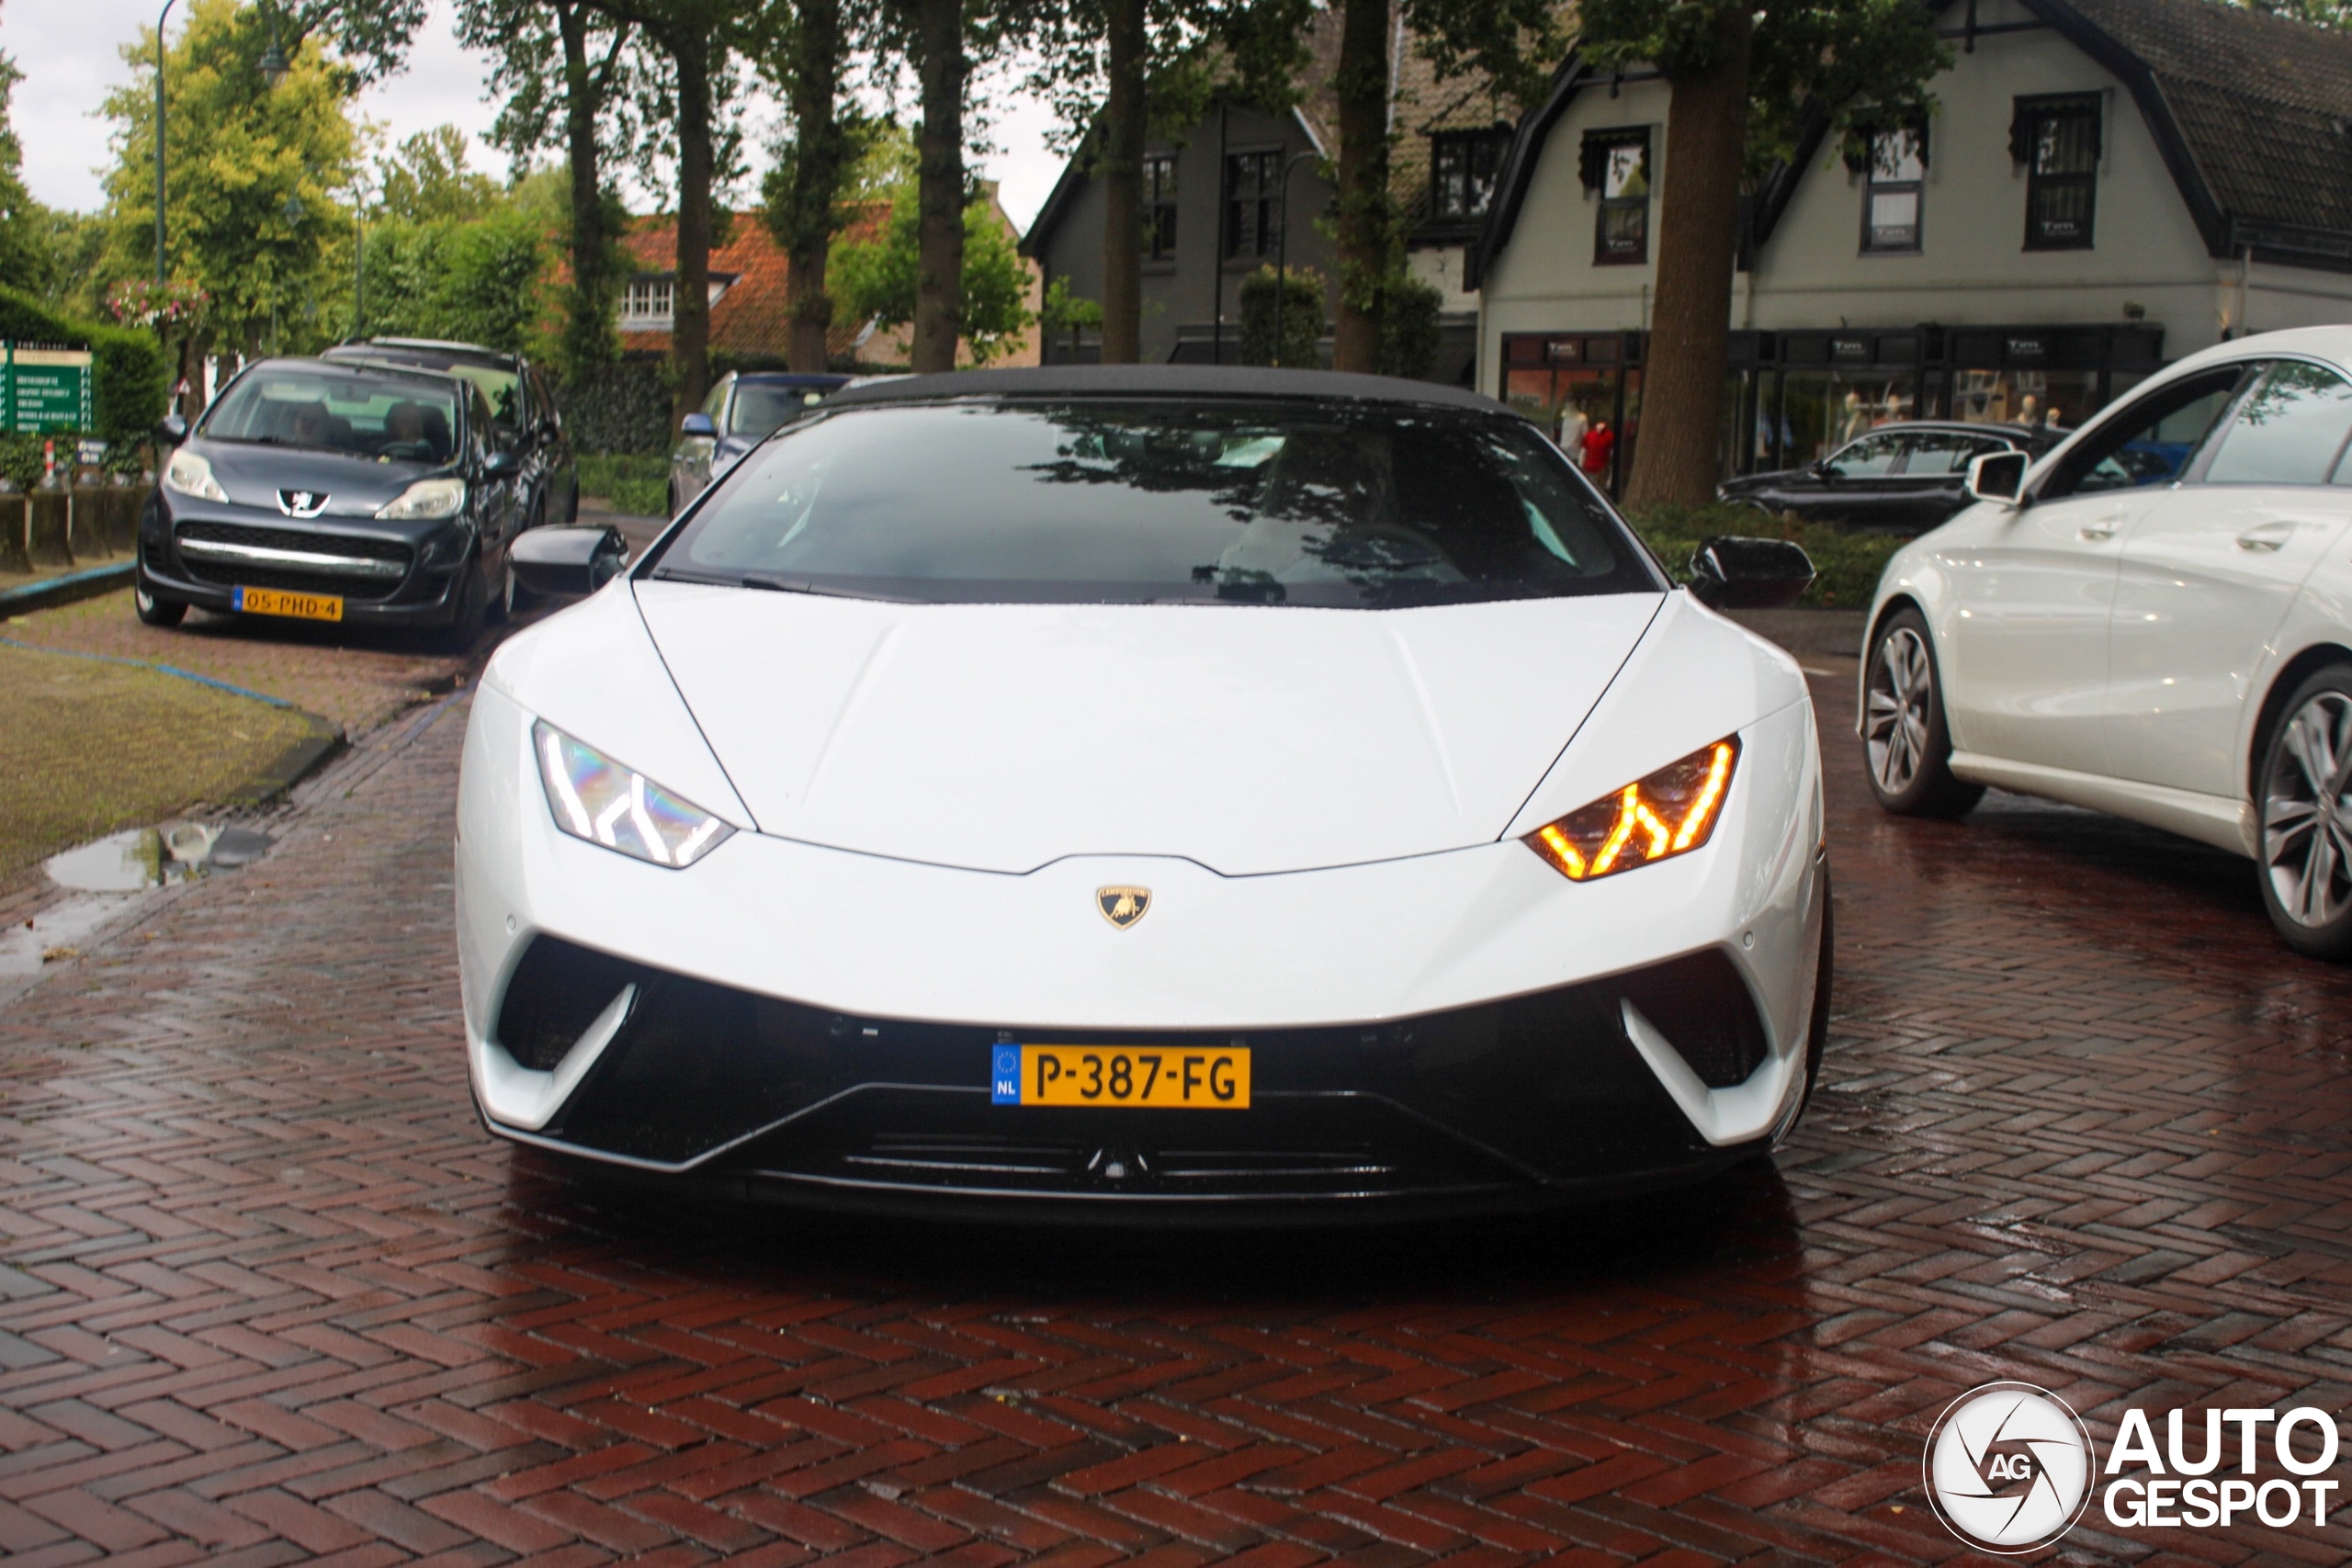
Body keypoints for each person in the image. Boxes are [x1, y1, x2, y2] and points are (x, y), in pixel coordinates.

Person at [1580, 420, 1614, 484]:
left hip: (1601, 470)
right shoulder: (1589, 435)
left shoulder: (1610, 436)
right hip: (1588, 468)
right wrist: (1581, 467)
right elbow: (1583, 452)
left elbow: (1612, 455)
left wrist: (1610, 480)